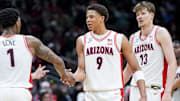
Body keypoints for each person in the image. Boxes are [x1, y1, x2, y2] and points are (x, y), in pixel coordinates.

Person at [64, 3, 147, 101]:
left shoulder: (119, 38)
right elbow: (81, 71)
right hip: (91, 94)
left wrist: (143, 96)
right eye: (87, 18)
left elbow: (136, 69)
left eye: (91, 17)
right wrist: (73, 77)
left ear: (102, 18)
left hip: (113, 94)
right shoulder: (82, 40)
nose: (88, 20)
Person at [0, 8, 74, 101]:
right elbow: (57, 60)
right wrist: (64, 75)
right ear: (18, 22)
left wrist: (33, 76)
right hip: (21, 94)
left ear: (1, 26)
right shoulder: (30, 41)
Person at [123, 1, 177, 101]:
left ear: (152, 15)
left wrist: (168, 91)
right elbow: (129, 68)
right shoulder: (133, 38)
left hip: (154, 89)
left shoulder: (160, 33)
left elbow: (172, 63)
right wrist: (115, 87)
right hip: (135, 90)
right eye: (137, 15)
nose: (139, 17)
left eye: (143, 13)